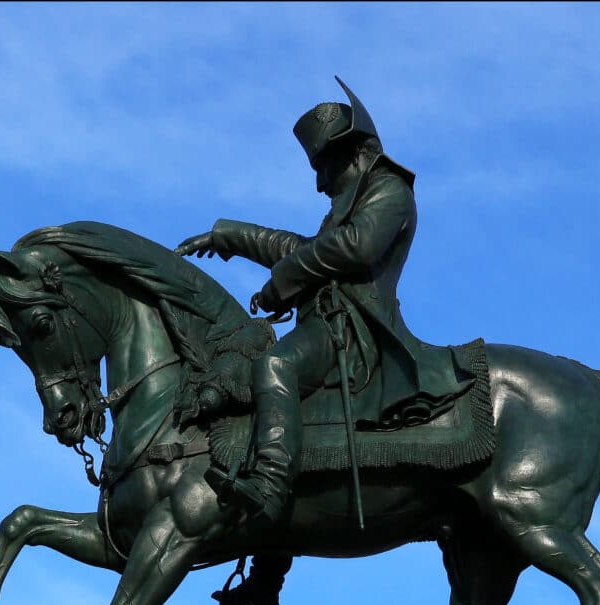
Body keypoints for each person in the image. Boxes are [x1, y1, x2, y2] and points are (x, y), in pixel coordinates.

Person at [177, 81, 471, 528]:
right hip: (328, 326)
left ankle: (270, 488)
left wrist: (281, 283)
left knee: (275, 367)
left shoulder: (390, 190)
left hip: (356, 334)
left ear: (352, 154)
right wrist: (228, 236)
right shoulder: (351, 202)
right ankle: (269, 558)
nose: (318, 183)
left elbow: (354, 247)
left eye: (323, 166)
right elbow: (308, 248)